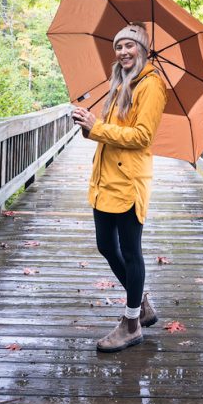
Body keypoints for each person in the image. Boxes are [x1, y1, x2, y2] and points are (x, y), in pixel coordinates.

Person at [72, 23, 168, 352]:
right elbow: (107, 129)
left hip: (128, 180)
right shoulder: (119, 83)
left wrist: (98, 128)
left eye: (130, 46)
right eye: (119, 47)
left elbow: (142, 136)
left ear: (143, 49)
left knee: (130, 251)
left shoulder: (151, 86)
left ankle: (131, 325)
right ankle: (142, 303)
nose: (123, 52)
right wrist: (88, 126)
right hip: (105, 180)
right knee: (105, 245)